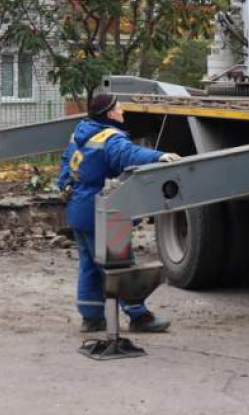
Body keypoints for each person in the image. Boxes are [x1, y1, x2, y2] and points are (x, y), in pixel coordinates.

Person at [58, 92, 178, 334]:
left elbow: (65, 163)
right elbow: (130, 155)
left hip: (78, 209)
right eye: (120, 107)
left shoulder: (81, 131)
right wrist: (159, 156)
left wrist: (64, 184)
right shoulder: (110, 138)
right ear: (109, 113)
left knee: (90, 265)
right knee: (118, 263)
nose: (123, 111)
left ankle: (91, 318)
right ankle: (138, 316)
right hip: (101, 210)